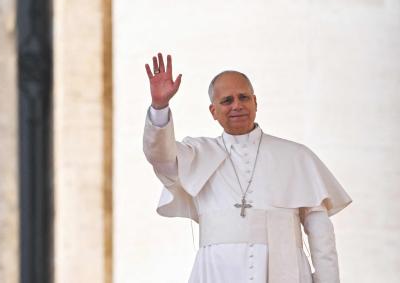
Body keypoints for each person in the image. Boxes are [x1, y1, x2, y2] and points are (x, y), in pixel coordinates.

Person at [143, 53, 351, 283]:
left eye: (244, 97)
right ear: (213, 111)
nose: (237, 105)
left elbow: (321, 233)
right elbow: (160, 157)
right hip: (216, 273)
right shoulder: (197, 153)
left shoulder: (296, 156)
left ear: (255, 102)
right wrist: (159, 107)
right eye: (227, 101)